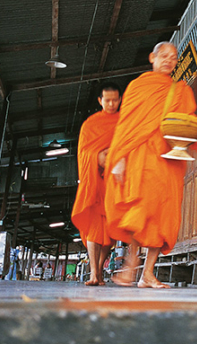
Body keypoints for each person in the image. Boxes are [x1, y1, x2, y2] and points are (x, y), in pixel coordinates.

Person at [104, 41, 197, 288]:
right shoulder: (138, 87)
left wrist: (194, 128)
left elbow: (187, 119)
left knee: (163, 215)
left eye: (174, 57)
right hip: (141, 157)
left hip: (168, 158)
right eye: (164, 56)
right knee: (142, 210)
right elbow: (126, 126)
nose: (169, 60)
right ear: (152, 57)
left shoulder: (179, 90)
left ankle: (147, 273)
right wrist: (120, 159)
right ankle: (130, 267)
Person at [71, 82, 122, 286]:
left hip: (114, 183)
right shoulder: (90, 125)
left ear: (120, 99)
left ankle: (99, 270)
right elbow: (82, 153)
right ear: (100, 101)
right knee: (93, 229)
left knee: (110, 234)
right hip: (94, 181)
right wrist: (98, 157)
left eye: (115, 100)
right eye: (107, 100)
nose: (111, 104)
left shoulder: (123, 122)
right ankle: (93, 273)